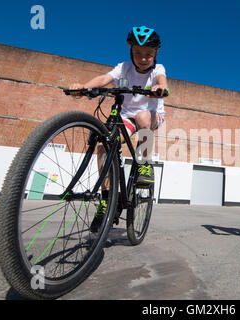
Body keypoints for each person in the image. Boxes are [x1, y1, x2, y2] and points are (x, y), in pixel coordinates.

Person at [69, 26, 169, 231]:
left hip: (151, 116)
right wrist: (84, 87)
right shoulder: (124, 68)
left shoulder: (158, 70)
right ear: (130, 51)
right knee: (103, 144)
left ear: (156, 54)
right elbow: (104, 79)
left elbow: (162, 80)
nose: (143, 58)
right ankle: (107, 199)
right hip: (126, 117)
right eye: (138, 53)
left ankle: (144, 164)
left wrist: (160, 88)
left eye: (148, 55)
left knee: (142, 116)